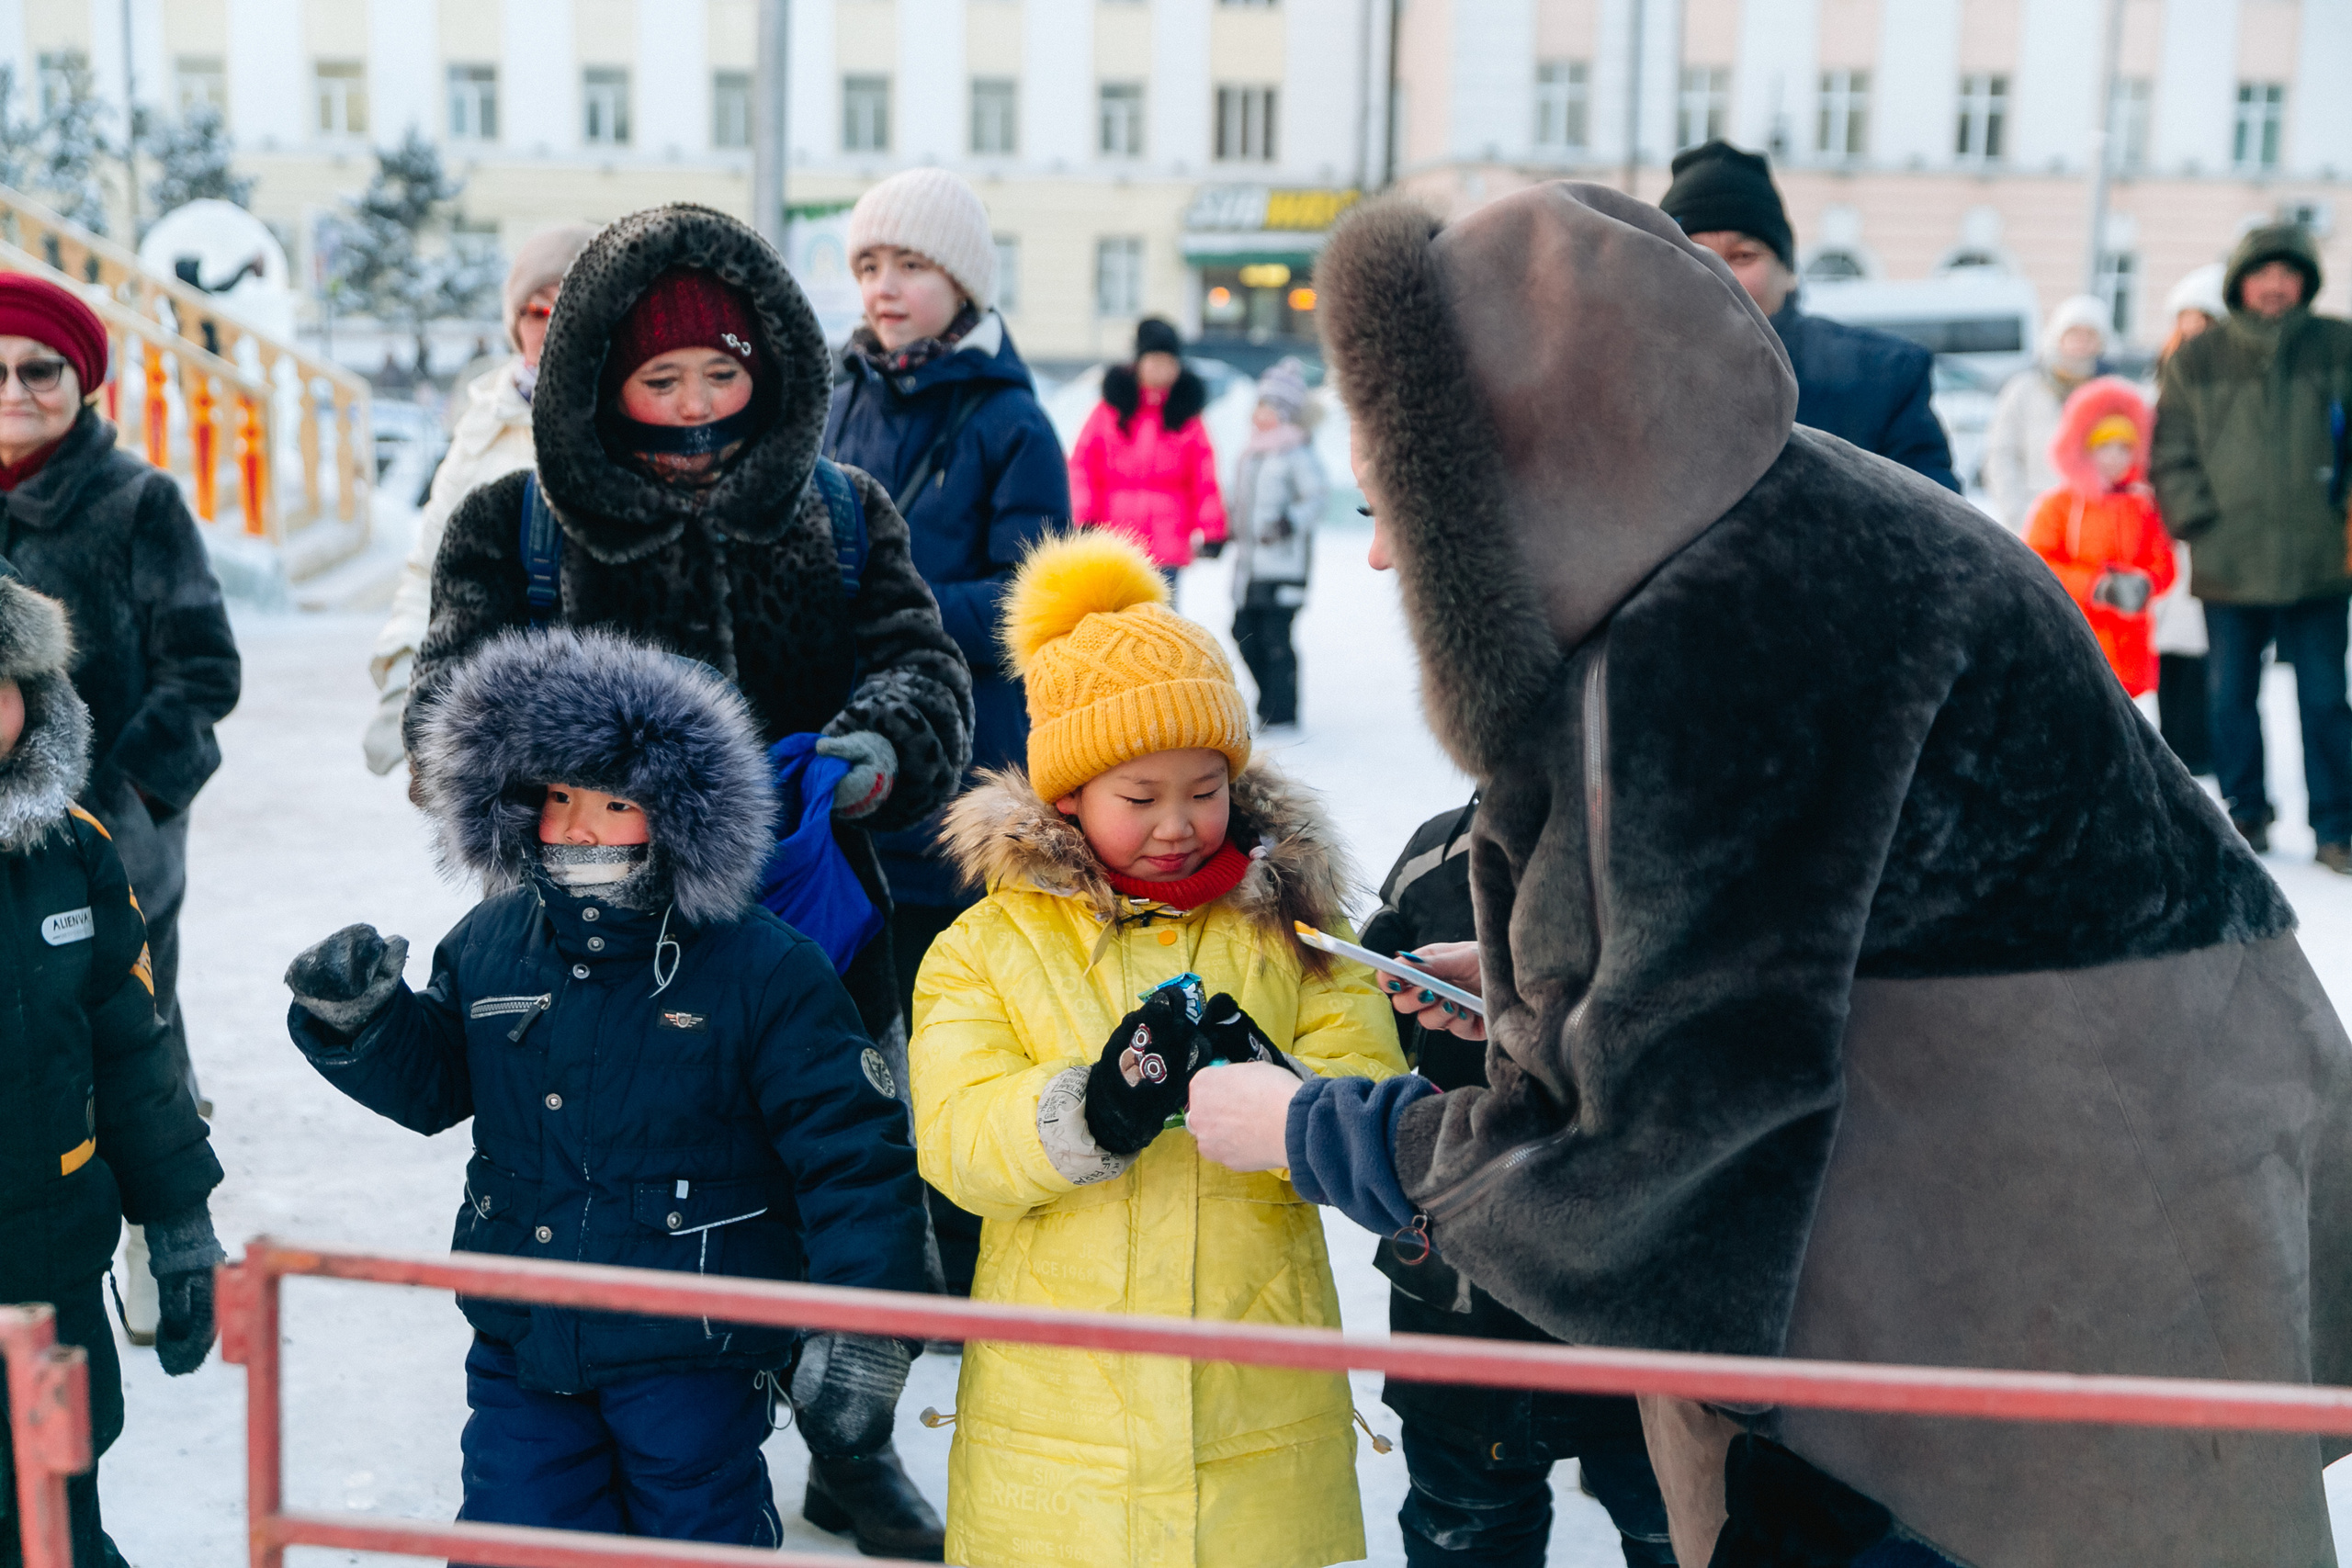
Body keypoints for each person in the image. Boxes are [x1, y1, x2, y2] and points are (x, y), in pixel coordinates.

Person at [1185, 182, 2352, 1567]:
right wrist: (1542, 985)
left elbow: (1650, 1165)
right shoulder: (1821, 515)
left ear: (1509, 463)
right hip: (2153, 1211)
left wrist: (1311, 1127)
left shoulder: (1699, 648)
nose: (1378, 548)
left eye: (1401, 502)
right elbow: (1839, 927)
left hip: (1980, 1355)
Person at [286, 627, 935, 1555]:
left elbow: (851, 1155)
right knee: (517, 1536)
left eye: (614, 801)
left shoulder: (764, 969)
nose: (580, 827)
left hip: (695, 1347)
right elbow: (439, 1080)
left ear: (680, 813)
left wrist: (866, 1328)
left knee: (691, 1540)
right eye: (558, 798)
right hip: (524, 1341)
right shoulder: (493, 941)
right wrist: (365, 1022)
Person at [908, 529, 1405, 1568]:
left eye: (1205, 788)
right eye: (1140, 798)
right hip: (1057, 1447)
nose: (1178, 823)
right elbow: (956, 1140)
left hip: (1250, 1421)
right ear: (1067, 797)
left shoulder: (1296, 932)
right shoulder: (983, 950)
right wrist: (1093, 1111)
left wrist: (1288, 1097)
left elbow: (1371, 1088)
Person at [405, 201, 975, 1049]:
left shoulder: (843, 510)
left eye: (722, 372)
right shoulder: (512, 524)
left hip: (810, 939)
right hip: (588, 957)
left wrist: (879, 751)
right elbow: (442, 719)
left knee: (837, 1166)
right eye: (663, 380)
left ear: (769, 367)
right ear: (606, 383)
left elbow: (925, 669)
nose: (695, 405)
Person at [822, 167, 1069, 1296]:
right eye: (869, 265)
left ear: (960, 281)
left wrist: (886, 595)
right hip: (833, 749)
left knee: (947, 1017)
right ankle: (861, 1258)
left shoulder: (1011, 420)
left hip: (963, 761)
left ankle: (961, 1260)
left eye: (908, 265)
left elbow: (1035, 594)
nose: (884, 287)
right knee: (837, 1023)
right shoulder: (830, 393)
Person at [0, 270, 240, 1345]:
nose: (15, 390)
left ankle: (161, 1230)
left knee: (132, 1021)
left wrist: (128, 796)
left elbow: (204, 669)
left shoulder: (136, 501)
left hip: (108, 836)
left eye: (38, 369)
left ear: (79, 380)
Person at [1359, 797, 1677, 1568]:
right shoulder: (1434, 859)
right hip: (1465, 1316)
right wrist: (1384, 990)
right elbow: (1372, 1047)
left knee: (1684, 1529)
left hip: (1644, 1325)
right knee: (1466, 1530)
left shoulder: (1680, 854)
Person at [0, 564, 223, 1568]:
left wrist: (176, 1219)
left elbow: (132, 1047)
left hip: (49, 1259)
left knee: (57, 1502)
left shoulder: (75, 852)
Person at [2152, 222, 2352, 874]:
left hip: (2320, 560)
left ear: (2305, 282)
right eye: (2262, 273)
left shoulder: (2339, 346)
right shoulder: (2197, 358)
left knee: (2325, 697)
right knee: (2230, 696)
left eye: (2288, 273)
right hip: (2229, 561)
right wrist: (2199, 521)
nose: (2275, 286)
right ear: (2240, 280)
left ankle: (2337, 826)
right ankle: (2245, 812)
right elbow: (2171, 452)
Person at [365, 223, 599, 775]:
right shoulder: (483, 421)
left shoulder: (626, 414)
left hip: (597, 713)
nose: (553, 326)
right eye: (535, 312)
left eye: (570, 305)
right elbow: (428, 565)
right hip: (488, 726)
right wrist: (406, 676)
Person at [1658, 140, 1959, 493]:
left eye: (1742, 256)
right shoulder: (1624, 378)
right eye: (1693, 256)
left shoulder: (1881, 380)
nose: (1718, 275)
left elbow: (1938, 527)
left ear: (1788, 272)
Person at [2023, 377, 2177, 699]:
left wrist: (2144, 583)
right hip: (2075, 641)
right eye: (2104, 446)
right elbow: (2037, 564)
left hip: (2129, 648)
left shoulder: (2143, 506)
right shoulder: (2059, 506)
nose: (2115, 457)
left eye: (2124, 448)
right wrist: (2096, 586)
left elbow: (2163, 562)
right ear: (2083, 448)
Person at [1069, 317, 1227, 597]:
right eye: (1154, 361)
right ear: (1138, 363)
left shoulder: (1186, 417)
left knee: (1161, 625)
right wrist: (1084, 517)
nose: (1161, 370)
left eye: (1168, 362)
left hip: (1168, 544)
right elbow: (1082, 467)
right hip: (1114, 542)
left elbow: (1204, 476)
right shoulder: (1111, 411)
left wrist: (1212, 528)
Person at [2148, 264, 2226, 776]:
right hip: (2159, 523)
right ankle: (2174, 740)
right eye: (2186, 320)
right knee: (2166, 638)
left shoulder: (2225, 385)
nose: (2193, 330)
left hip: (2208, 526)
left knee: (2205, 640)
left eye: (2204, 320)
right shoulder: (2162, 379)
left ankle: (2199, 745)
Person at [1226, 356, 1324, 734]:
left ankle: (1281, 711)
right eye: (1259, 406)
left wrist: (1289, 522)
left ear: (1284, 414)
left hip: (1284, 565)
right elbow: (1243, 507)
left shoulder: (1296, 454)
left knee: (1275, 637)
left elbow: (1316, 498)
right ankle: (1268, 700)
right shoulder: (1251, 454)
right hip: (1250, 567)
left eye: (1269, 408)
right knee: (1244, 632)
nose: (1260, 415)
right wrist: (1225, 530)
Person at [1984, 293, 2113, 533]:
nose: (2081, 342)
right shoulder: (2024, 390)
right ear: (2058, 337)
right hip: (2034, 517)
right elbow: (2001, 454)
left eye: (2090, 335)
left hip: (2094, 526)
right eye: (2074, 333)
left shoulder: (2112, 395)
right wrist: (2019, 515)